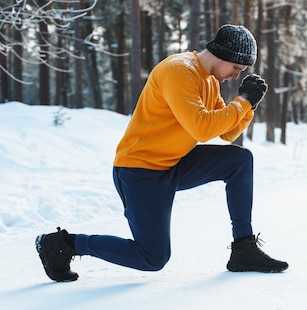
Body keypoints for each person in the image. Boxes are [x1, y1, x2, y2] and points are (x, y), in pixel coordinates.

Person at [35, 24, 288, 282]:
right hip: (140, 171)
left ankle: (243, 248)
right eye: (236, 68)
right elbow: (202, 128)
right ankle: (66, 244)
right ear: (224, 55)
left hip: (174, 163)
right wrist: (242, 102)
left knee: (239, 160)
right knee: (151, 258)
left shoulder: (211, 81)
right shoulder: (179, 71)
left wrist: (249, 107)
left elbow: (226, 133)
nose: (236, 76)